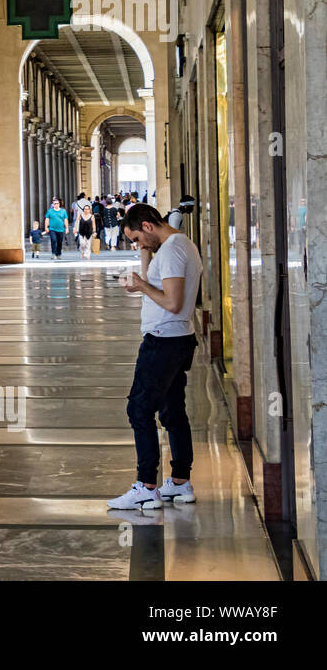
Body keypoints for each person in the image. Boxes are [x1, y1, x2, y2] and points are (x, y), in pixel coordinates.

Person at [107, 204, 202, 511]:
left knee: (139, 410)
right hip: (176, 339)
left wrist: (142, 286)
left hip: (163, 341)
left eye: (137, 239)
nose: (138, 245)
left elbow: (172, 302)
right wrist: (143, 274)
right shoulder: (175, 246)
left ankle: (146, 486)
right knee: (172, 412)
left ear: (148, 226)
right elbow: (154, 281)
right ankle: (179, 481)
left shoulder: (173, 250)